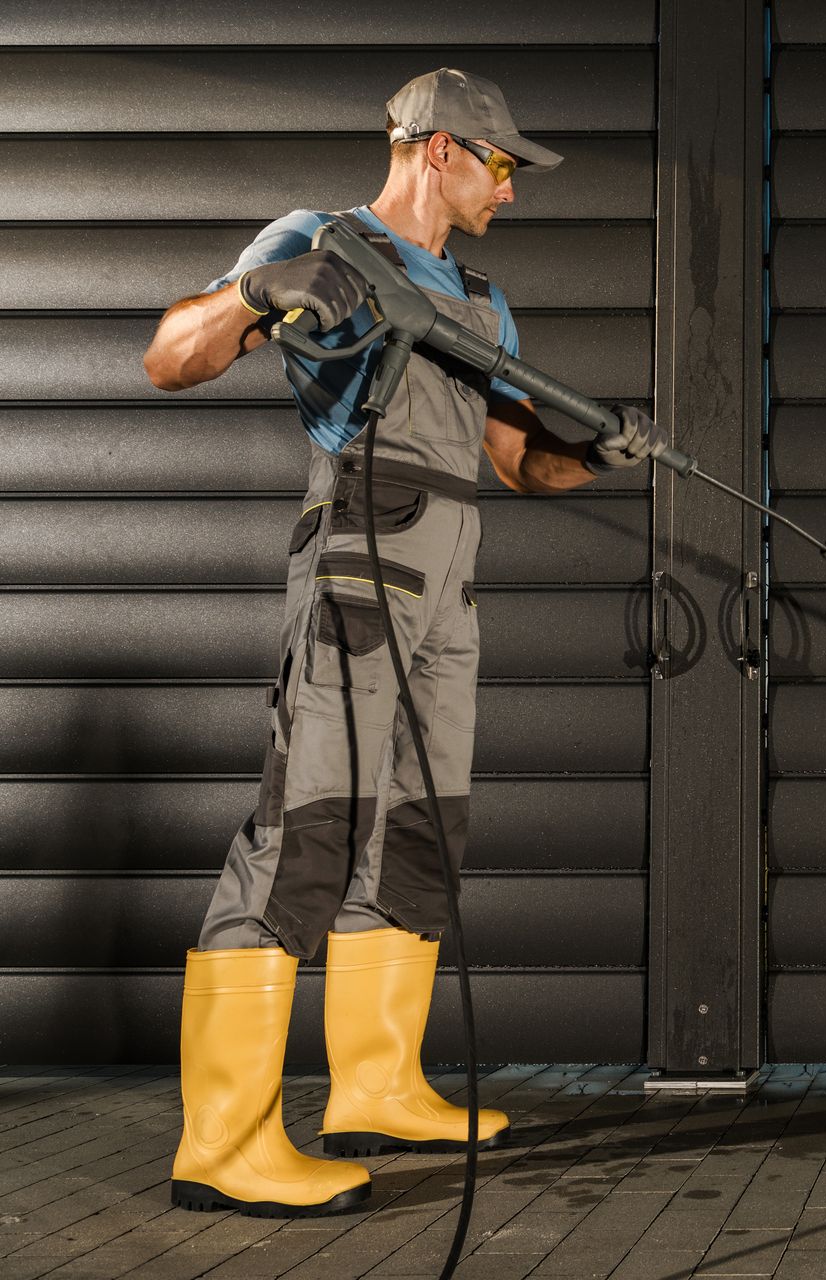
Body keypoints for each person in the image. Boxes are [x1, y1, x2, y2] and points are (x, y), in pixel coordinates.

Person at [141, 68, 661, 1218]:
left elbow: (521, 463)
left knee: (418, 832)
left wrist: (601, 449)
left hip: (451, 580)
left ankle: (377, 1084)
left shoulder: (480, 296)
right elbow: (170, 355)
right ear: (439, 150)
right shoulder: (320, 239)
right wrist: (262, 293)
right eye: (503, 166)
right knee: (309, 823)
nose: (511, 191)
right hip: (359, 551)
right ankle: (224, 1141)